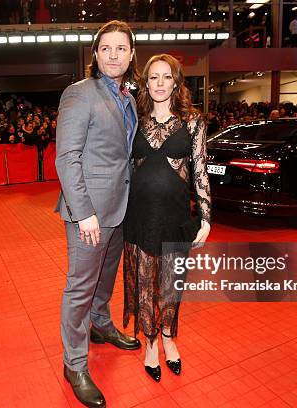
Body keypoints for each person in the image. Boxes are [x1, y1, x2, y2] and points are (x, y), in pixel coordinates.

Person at [55, 20, 140, 408]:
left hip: (120, 207)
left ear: (131, 54)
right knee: (80, 287)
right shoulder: (79, 94)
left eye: (121, 48)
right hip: (89, 212)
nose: (113, 55)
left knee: (106, 278)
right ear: (96, 53)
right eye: (106, 48)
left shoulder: (128, 96)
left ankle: (101, 326)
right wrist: (83, 211)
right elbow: (67, 157)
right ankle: (74, 363)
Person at [123, 54, 211, 382]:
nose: (160, 83)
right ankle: (150, 343)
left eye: (166, 77)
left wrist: (206, 216)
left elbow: (200, 171)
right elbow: (126, 168)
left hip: (175, 216)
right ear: (146, 83)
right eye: (153, 77)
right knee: (146, 285)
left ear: (176, 82)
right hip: (140, 216)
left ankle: (169, 339)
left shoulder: (193, 121)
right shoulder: (134, 119)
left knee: (171, 286)